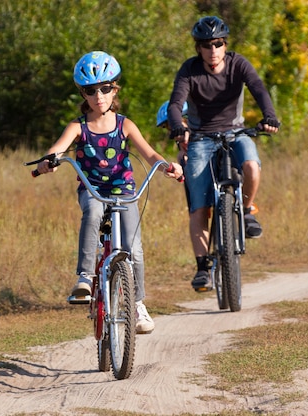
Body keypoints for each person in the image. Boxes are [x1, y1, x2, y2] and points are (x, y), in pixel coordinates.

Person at [36, 51, 183, 334]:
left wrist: (166, 167)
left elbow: (150, 153)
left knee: (134, 249)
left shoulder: (125, 124)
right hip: (92, 189)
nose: (98, 96)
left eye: (105, 88)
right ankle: (84, 278)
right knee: (91, 212)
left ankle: (137, 303)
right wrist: (48, 161)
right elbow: (57, 148)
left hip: (124, 190)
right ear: (83, 93)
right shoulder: (77, 127)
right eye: (91, 91)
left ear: (114, 89)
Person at [167, 16, 280, 292]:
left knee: (251, 165)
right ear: (199, 49)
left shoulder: (238, 63)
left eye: (217, 44)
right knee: (199, 204)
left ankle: (247, 209)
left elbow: (258, 88)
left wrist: (270, 116)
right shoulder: (189, 70)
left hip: (236, 133)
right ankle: (203, 266)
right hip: (201, 138)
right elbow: (175, 103)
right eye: (206, 45)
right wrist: (177, 127)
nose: (213, 50)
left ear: (225, 45)